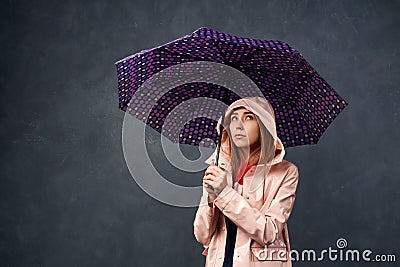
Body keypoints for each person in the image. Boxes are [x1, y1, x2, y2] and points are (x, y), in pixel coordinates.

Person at [193, 96, 299, 267]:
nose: (238, 124)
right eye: (233, 118)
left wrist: (225, 193)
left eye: (249, 117)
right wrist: (210, 198)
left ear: (264, 126)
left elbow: (268, 233)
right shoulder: (219, 168)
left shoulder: (286, 172)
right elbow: (202, 235)